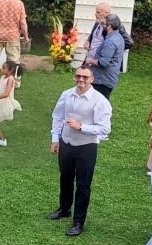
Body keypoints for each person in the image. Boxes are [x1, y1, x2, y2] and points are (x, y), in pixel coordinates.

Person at [48, 66, 112, 236]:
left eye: (85, 77)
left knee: (83, 185)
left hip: (87, 147)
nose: (81, 80)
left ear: (92, 79)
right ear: (74, 77)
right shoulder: (66, 94)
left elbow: (105, 129)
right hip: (66, 143)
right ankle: (64, 209)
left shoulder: (100, 101)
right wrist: (55, 139)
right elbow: (58, 117)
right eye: (78, 76)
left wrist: (81, 126)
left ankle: (78, 222)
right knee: (65, 177)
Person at [89, 14, 127, 99]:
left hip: (102, 80)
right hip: (109, 78)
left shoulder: (110, 41)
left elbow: (103, 62)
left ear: (109, 26)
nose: (102, 26)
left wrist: (90, 61)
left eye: (103, 24)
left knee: (100, 104)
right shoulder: (119, 37)